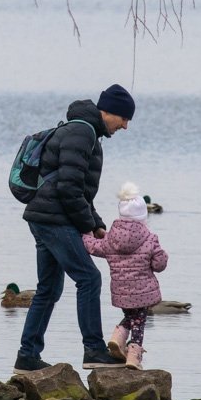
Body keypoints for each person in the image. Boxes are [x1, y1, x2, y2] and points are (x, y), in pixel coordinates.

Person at [13, 83, 135, 375]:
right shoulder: (82, 133)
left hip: (45, 216)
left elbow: (76, 189)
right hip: (53, 218)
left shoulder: (83, 131)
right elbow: (68, 189)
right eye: (124, 119)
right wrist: (88, 223)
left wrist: (96, 223)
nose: (126, 126)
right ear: (109, 112)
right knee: (89, 278)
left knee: (48, 288)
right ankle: (93, 350)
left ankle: (27, 356)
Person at [82, 182, 168, 370]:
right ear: (142, 217)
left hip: (121, 291)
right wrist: (162, 256)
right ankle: (133, 356)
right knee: (139, 320)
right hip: (143, 292)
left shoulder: (110, 239)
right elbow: (159, 265)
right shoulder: (150, 239)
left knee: (131, 317)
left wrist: (87, 232)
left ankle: (118, 338)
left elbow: (92, 247)